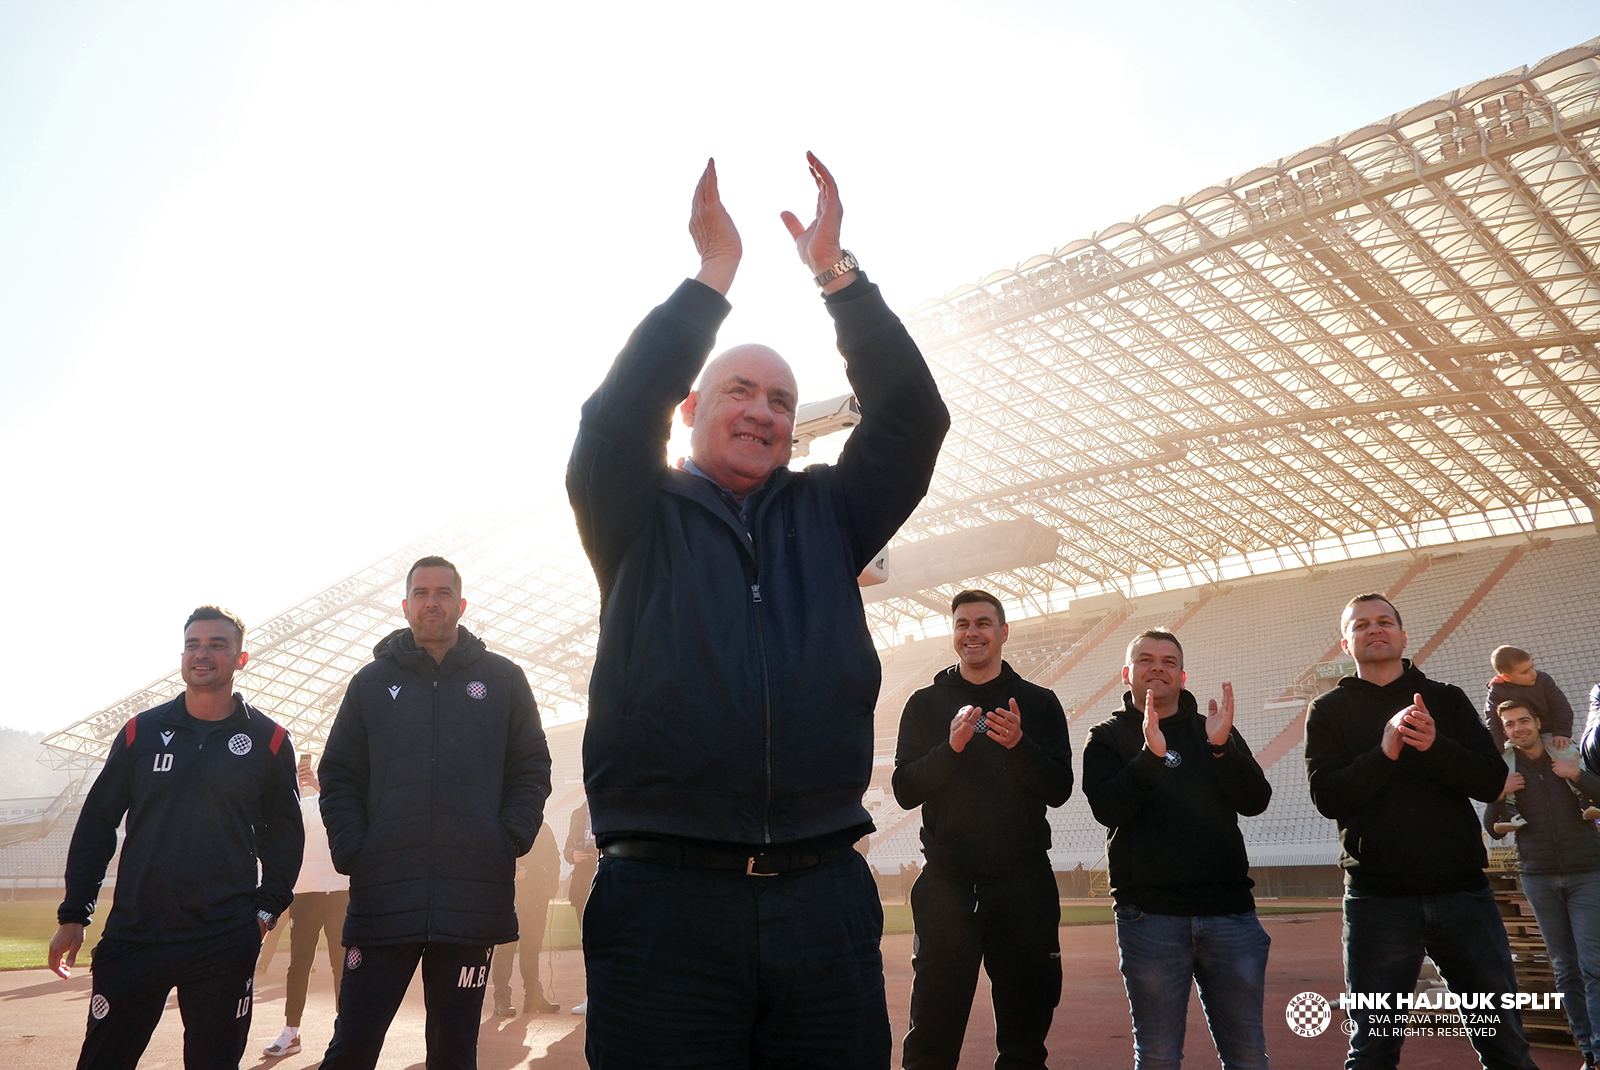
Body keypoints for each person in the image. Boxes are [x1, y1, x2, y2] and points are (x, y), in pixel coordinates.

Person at [566, 154, 948, 1067]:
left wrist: (837, 276)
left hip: (822, 899)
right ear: (690, 408)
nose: (765, 411)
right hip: (666, 904)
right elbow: (612, 421)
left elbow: (911, 419)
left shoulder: (830, 514)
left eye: (780, 399)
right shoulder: (633, 513)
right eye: (739, 391)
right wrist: (712, 281)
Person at [315, 556, 552, 1070]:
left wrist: (507, 839)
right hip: (384, 894)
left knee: (453, 1049)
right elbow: (338, 774)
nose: (432, 602)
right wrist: (356, 847)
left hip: (470, 896)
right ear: (405, 607)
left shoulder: (504, 680)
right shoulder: (371, 683)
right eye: (421, 593)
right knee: (352, 1044)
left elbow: (532, 767)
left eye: (443, 593)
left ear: (461, 605)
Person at [51, 606, 304, 1070]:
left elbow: (285, 838)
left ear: (241, 659)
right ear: (183, 655)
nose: (202, 654)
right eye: (193, 644)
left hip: (224, 938)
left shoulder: (269, 740)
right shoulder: (140, 732)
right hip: (136, 933)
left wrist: (264, 914)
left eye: (216, 644)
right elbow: (95, 825)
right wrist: (74, 915)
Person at [1305, 592, 1539, 1070]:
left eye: (1384, 621)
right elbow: (1327, 798)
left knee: (1506, 1046)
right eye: (1362, 624)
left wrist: (1435, 746)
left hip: (1463, 894)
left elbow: (1492, 780)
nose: (1375, 629)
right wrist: (1384, 752)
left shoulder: (1446, 699)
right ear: (1345, 643)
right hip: (1377, 901)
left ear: (1402, 633)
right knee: (1373, 1052)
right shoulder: (1327, 710)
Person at [892, 589, 1073, 1070]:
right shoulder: (925, 704)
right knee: (931, 1033)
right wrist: (949, 749)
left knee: (1025, 1040)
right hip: (946, 886)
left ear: (1003, 632)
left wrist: (1020, 744)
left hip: (1023, 886)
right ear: (954, 633)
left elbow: (1059, 788)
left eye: (983, 623)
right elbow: (905, 790)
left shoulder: (1038, 703)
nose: (972, 632)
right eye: (963, 624)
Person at [1083, 629, 1273, 1070]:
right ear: (1126, 674)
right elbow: (1107, 808)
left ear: (1182, 675)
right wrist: (1149, 756)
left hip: (1230, 914)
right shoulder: (1107, 736)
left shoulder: (1214, 729)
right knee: (1158, 1056)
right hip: (1149, 917)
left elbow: (1256, 801)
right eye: (1146, 659)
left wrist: (1223, 748)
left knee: (1247, 1054)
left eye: (1168, 661)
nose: (1157, 667)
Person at [1485, 701, 1600, 1070]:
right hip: (1537, 876)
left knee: (1593, 965)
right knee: (1564, 967)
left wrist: (1577, 776)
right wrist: (1500, 793)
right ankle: (1587, 1051)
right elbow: (1492, 825)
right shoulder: (1506, 768)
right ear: (1504, 730)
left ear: (1537, 722)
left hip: (1587, 872)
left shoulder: (1567, 755)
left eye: (1523, 721)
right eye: (1509, 724)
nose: (1517, 728)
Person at [263, 755, 351, 1058]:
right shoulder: (298, 805)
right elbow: (275, 828)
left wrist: (319, 786)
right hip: (305, 894)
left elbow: (348, 813)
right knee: (299, 965)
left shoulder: (339, 800)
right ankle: (291, 1032)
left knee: (341, 964)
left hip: (340, 892)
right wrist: (295, 789)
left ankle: (345, 1031)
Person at [491, 820, 562, 1016]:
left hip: (537, 899)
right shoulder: (504, 823)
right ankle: (502, 1000)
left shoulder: (544, 827)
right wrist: (510, 872)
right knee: (506, 949)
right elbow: (493, 854)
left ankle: (534, 998)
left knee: (532, 949)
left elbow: (554, 859)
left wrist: (550, 890)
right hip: (510, 897)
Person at [563, 797, 595, 1015]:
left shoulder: (610, 806)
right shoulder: (578, 813)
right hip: (582, 888)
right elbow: (567, 850)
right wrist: (572, 855)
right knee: (588, 944)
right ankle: (591, 996)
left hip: (607, 882)